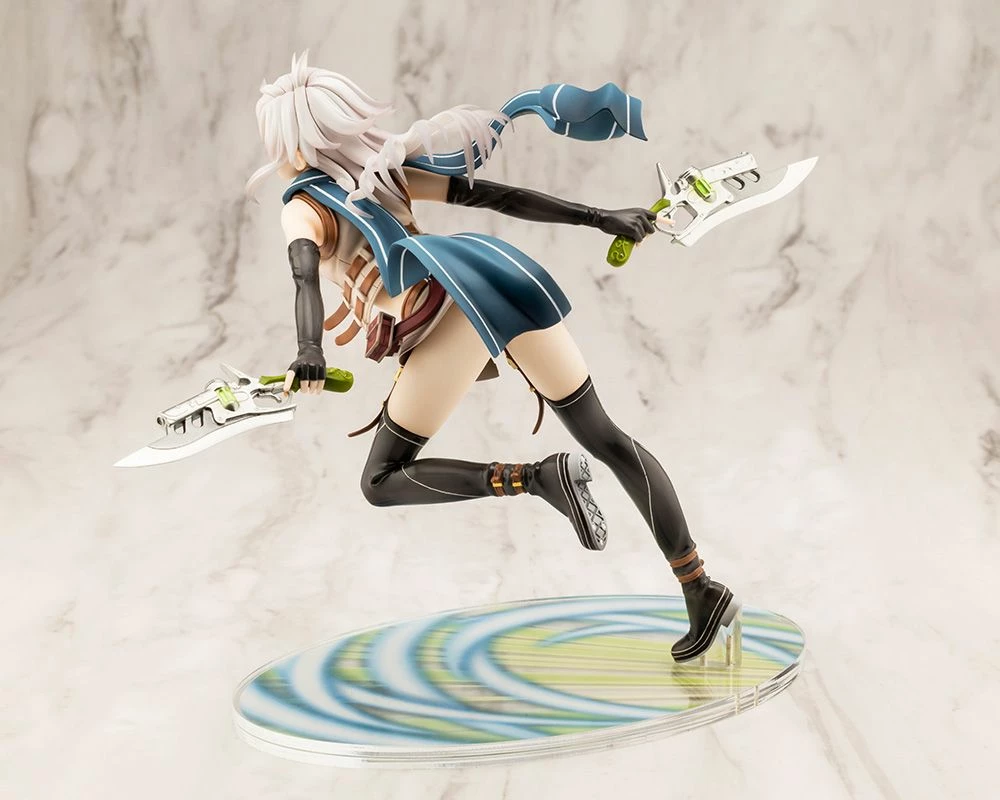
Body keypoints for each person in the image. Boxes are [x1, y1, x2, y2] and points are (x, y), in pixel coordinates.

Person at [247, 52, 739, 662]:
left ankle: (538, 479)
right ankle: (700, 588)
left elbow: (303, 275)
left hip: (452, 315)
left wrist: (308, 350)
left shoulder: (304, 206)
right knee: (606, 437)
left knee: (380, 479)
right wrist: (600, 217)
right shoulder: (384, 176)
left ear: (294, 147)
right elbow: (499, 198)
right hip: (499, 279)